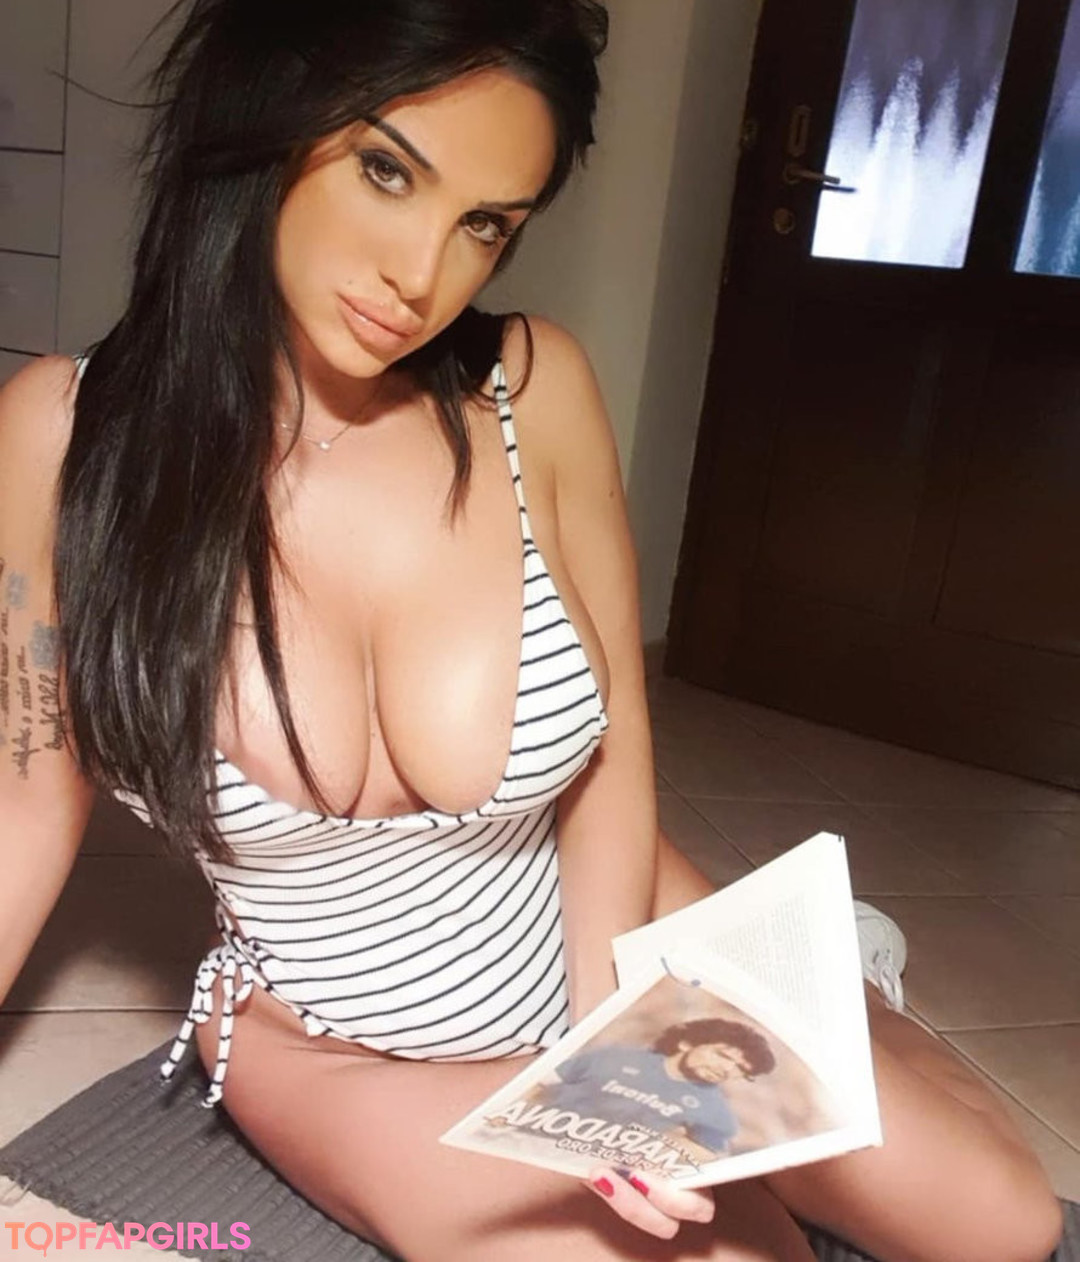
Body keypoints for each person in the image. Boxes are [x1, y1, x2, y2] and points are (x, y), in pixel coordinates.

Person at [0, 2, 1064, 1259]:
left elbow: (613, 751)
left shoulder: (530, 385)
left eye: (486, 225)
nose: (423, 275)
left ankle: (843, 973)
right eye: (388, 170)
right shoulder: (62, 438)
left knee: (1002, 1223)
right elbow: (24, 799)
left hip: (613, 927)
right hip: (326, 1037)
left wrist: (614, 1057)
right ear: (264, 116)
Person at [541, 1018, 778, 1157]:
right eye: (722, 1055)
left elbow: (706, 1159)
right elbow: (539, 1086)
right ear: (687, 1043)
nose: (727, 1069)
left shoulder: (717, 1114)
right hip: (539, 1140)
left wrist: (669, 1142)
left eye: (741, 1069)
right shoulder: (616, 1056)